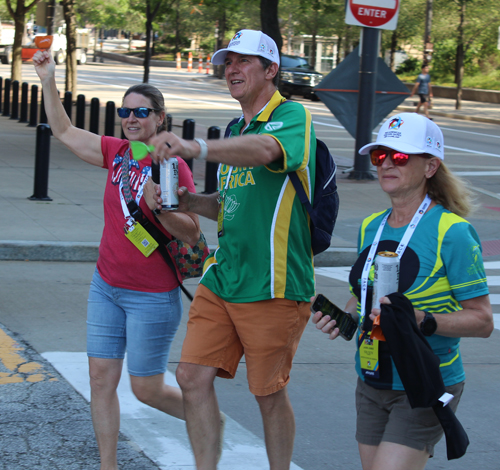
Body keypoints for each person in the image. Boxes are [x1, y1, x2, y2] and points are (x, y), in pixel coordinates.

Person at [147, 29, 316, 469]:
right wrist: (184, 203)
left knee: (268, 394)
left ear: (271, 70)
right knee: (190, 375)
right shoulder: (235, 128)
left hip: (273, 281)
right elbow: (228, 205)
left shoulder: (292, 116)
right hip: (224, 276)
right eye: (228, 62)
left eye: (244, 61)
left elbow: (264, 151)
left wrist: (194, 146)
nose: (232, 69)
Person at [33, 50, 200, 470]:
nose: (131, 117)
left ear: (160, 118)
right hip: (105, 287)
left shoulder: (172, 166)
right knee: (100, 380)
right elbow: (65, 130)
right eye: (125, 111)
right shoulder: (118, 152)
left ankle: (205, 417)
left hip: (150, 295)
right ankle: (109, 466)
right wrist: (48, 78)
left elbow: (193, 232)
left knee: (146, 389)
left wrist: (161, 208)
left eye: (140, 111)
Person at [312, 113, 493, 470]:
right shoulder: (371, 227)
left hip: (423, 380)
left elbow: (482, 320)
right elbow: (361, 296)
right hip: (371, 379)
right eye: (380, 156)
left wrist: (423, 320)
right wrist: (346, 317)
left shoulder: (452, 231)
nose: (385, 165)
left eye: (399, 157)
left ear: (430, 166)